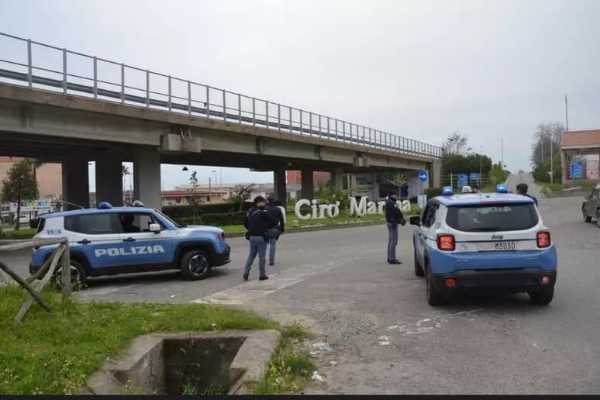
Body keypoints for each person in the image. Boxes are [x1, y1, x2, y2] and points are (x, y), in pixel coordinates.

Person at [242, 196, 277, 281]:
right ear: (259, 202)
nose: (265, 203)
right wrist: (265, 227)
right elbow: (273, 222)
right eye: (263, 202)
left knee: (251, 255)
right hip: (261, 236)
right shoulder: (263, 212)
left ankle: (246, 273)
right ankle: (262, 275)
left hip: (251, 236)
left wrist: (252, 229)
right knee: (262, 256)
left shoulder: (250, 212)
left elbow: (245, 223)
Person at [384, 192, 406, 264]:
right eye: (395, 195)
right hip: (392, 223)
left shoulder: (389, 202)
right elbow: (396, 212)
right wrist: (401, 219)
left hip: (390, 222)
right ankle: (392, 259)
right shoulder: (391, 202)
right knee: (394, 241)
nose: (396, 196)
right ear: (392, 195)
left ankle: (389, 257)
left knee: (391, 240)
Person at [266, 195, 285, 266]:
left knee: (264, 245)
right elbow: (281, 220)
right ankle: (271, 260)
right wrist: (282, 229)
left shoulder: (265, 209)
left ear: (267, 201)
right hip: (275, 229)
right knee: (272, 244)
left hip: (265, 229)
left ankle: (263, 258)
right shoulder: (278, 209)